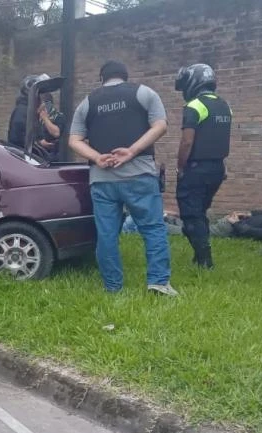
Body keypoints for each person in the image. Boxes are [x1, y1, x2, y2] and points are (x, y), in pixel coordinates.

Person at [69, 60, 177, 296]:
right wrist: (132, 151)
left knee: (107, 234)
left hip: (102, 180)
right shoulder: (144, 93)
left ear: (102, 79)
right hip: (140, 175)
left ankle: (112, 286)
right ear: (125, 77)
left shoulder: (87, 102)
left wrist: (98, 158)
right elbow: (160, 126)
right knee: (153, 229)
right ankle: (158, 283)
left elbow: (74, 140)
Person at [174, 63, 233, 269]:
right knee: (201, 211)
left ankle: (204, 259)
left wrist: (180, 167)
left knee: (191, 213)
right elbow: (219, 138)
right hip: (217, 168)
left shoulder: (194, 106)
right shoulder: (224, 105)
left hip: (196, 168)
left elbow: (187, 141)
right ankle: (200, 253)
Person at [34, 92, 66, 161]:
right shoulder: (35, 118)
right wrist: (40, 143)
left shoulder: (59, 116)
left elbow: (56, 133)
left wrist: (45, 118)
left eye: (39, 104)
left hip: (53, 156)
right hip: (37, 154)